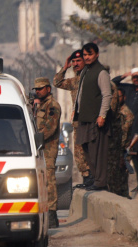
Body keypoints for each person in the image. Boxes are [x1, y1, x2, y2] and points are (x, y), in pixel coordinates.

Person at [74, 43, 112, 191]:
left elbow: (107, 95)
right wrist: (75, 110)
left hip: (96, 120)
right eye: (85, 55)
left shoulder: (101, 72)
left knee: (98, 152)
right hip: (84, 117)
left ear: (96, 54)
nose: (87, 57)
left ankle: (101, 182)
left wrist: (102, 115)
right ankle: (95, 179)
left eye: (89, 54)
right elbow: (81, 94)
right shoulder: (85, 71)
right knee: (87, 151)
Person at [53, 50, 93, 186]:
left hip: (91, 121)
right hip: (78, 121)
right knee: (79, 151)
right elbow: (57, 83)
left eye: (78, 61)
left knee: (91, 149)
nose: (75, 64)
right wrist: (65, 67)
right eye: (74, 62)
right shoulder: (74, 81)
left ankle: (94, 177)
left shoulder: (91, 77)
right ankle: (87, 177)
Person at [33, 77, 61, 228]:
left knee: (49, 181)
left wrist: (35, 140)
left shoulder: (52, 106)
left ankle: (52, 214)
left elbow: (50, 128)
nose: (37, 91)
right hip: (39, 148)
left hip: (48, 148)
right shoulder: (40, 105)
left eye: (40, 88)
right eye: (36, 89)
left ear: (48, 89)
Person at [108, 88, 134, 197]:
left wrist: (120, 151)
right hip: (114, 150)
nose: (117, 99)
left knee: (121, 180)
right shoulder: (114, 111)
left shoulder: (126, 113)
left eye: (119, 96)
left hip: (122, 150)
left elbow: (124, 133)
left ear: (124, 97)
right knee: (113, 180)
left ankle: (125, 200)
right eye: (115, 97)